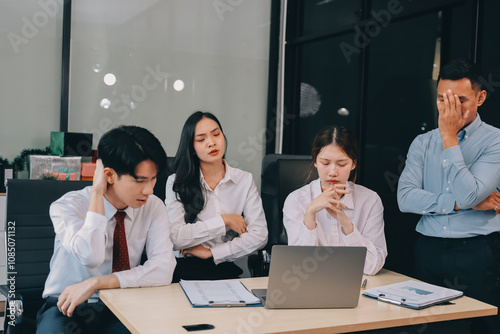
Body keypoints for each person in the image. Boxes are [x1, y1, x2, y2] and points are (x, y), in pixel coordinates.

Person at [36, 126, 176, 333]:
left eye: (153, 178)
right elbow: (90, 256)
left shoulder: (153, 206)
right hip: (66, 306)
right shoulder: (66, 207)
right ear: (108, 175)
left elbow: (163, 269)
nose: (149, 190)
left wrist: (97, 283)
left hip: (123, 304)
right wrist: (96, 193)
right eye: (140, 181)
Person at [397, 58, 500, 334]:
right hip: (427, 249)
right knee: (424, 328)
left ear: (481, 97)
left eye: (460, 100)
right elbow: (405, 198)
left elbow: (470, 194)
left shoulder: (495, 141)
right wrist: (455, 204)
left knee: (482, 326)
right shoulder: (421, 142)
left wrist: (448, 138)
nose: (449, 109)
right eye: (443, 99)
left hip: (477, 253)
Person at [165, 111, 268, 281]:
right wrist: (224, 220)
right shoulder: (176, 182)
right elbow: (175, 237)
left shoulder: (244, 180)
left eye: (216, 134)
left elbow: (260, 235)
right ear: (191, 147)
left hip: (225, 268)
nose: (211, 142)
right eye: (201, 139)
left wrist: (212, 253)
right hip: (184, 269)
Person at [283, 125, 387, 275]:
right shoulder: (296, 200)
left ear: (353, 164)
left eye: (341, 164)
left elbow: (373, 266)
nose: (332, 172)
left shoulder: (370, 200)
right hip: (311, 287)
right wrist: (310, 213)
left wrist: (345, 223)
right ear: (315, 161)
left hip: (358, 286)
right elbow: (299, 267)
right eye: (325, 163)